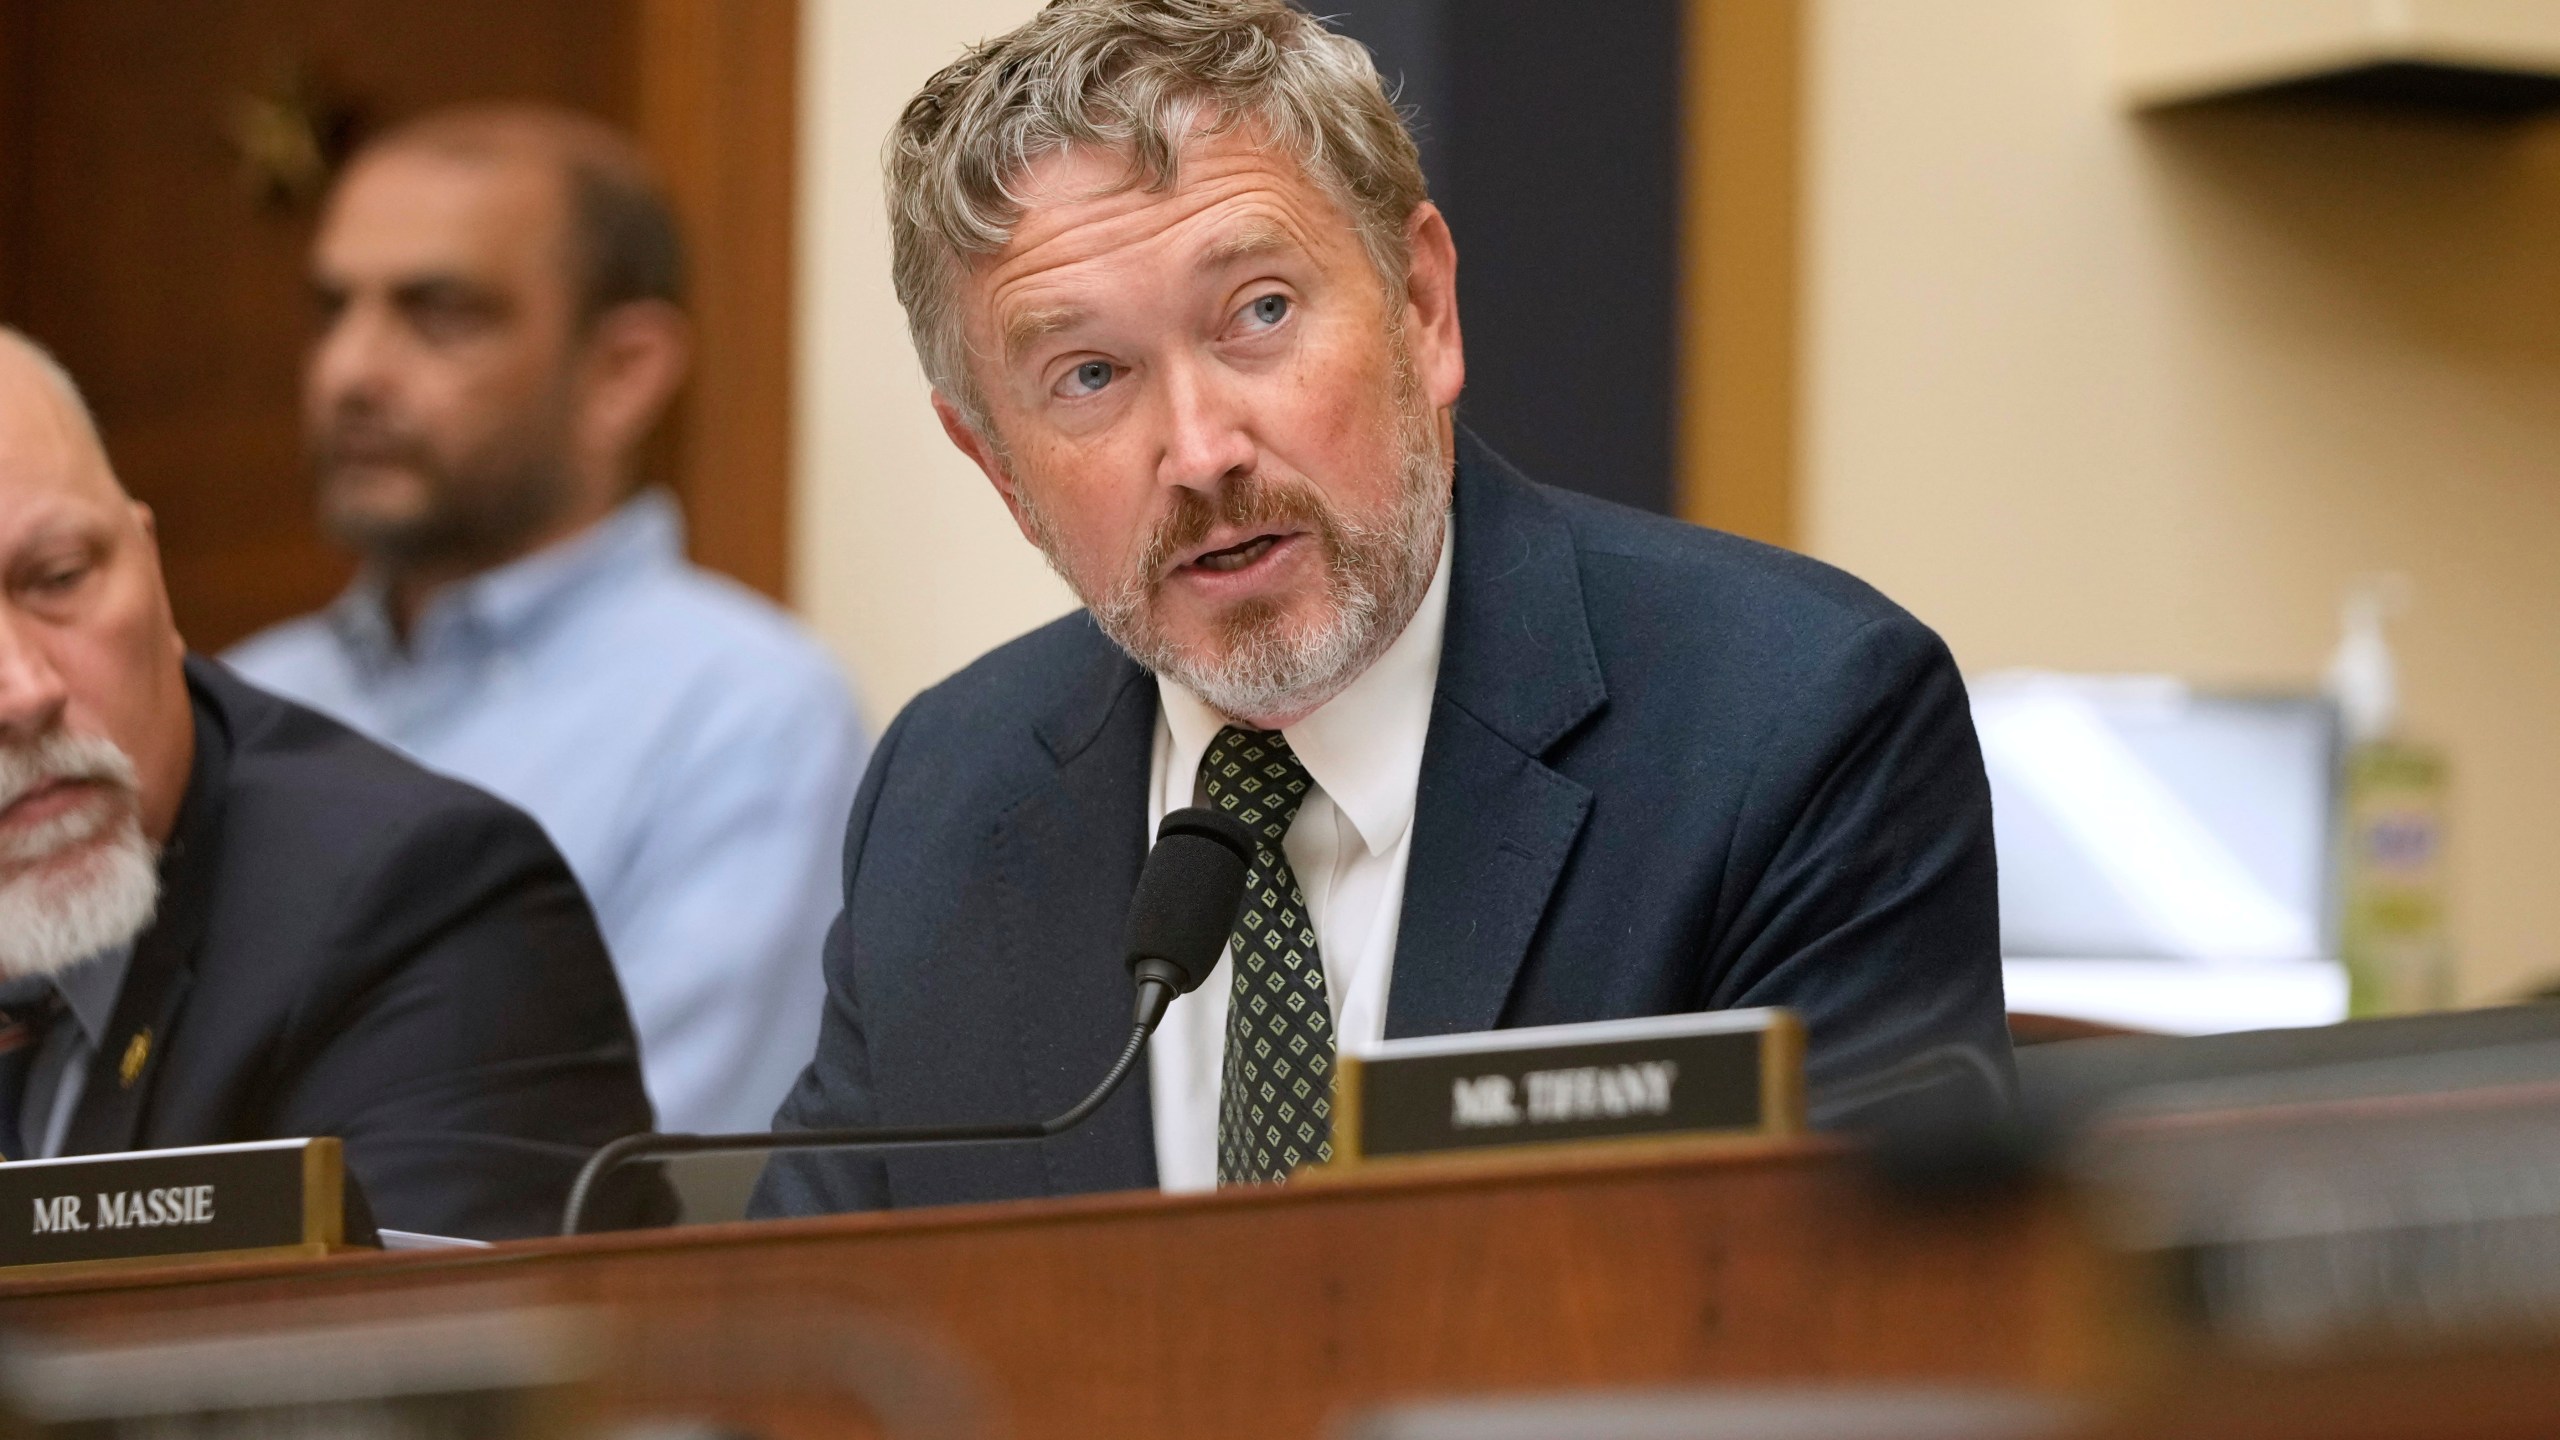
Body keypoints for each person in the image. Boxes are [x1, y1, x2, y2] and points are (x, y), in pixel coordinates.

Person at [754, 0, 2008, 1217]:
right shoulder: (944, 796)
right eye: (1088, 375)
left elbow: (1862, 1341)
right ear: (999, 470)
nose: (1200, 451)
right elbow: (807, 1355)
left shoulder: (1791, 721)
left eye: (1260, 312)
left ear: (1423, 307)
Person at [227, 105, 869, 1135]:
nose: (351, 371)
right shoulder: (243, 696)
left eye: (438, 313)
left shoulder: (744, 712)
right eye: (332, 309)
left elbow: (618, 1171)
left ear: (623, 373)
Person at [0, 329, 666, 1238]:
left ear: (149, 567)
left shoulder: (428, 910)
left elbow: (429, 1373)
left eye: (61, 578)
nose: (26, 692)